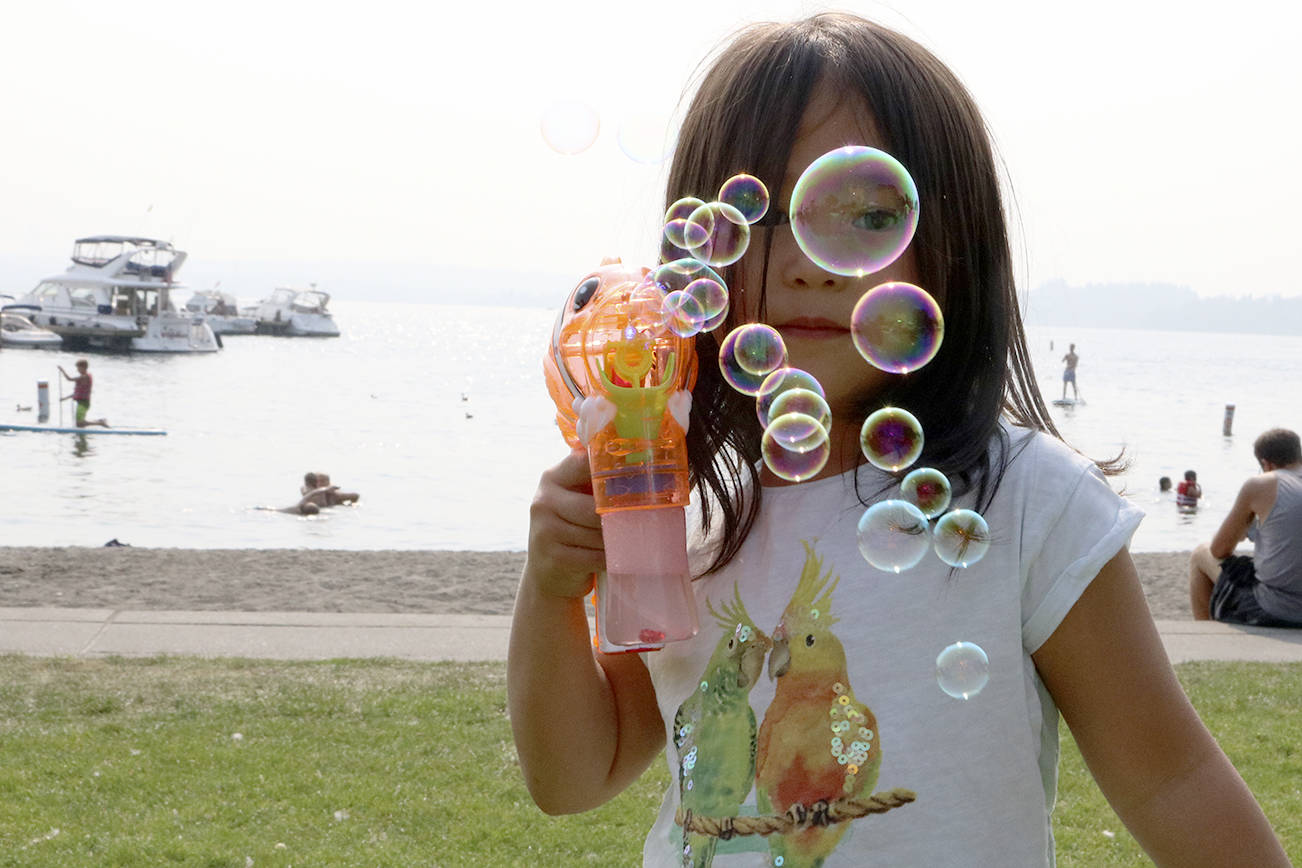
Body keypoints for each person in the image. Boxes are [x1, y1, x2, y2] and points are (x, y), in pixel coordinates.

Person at [507, 14, 1288, 867]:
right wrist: (550, 590)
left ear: (954, 250)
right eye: (760, 214)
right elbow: (576, 776)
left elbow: (1168, 779)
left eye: (867, 215)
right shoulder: (678, 512)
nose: (808, 262)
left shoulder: (1026, 503)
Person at [1189, 428, 1302, 627]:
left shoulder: (1261, 485)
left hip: (1275, 609)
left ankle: (1205, 636)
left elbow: (1220, 549)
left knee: (1200, 554)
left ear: (1266, 464)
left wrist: (1245, 525)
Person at [58, 359, 109, 428]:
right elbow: (77, 393)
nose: (77, 370)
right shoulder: (82, 378)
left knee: (79, 423)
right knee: (80, 424)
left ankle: (100, 423)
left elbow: (69, 379)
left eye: (78, 368)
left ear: (84, 367)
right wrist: (64, 398)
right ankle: (100, 421)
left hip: (84, 403)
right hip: (81, 403)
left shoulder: (85, 376)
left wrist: (62, 370)